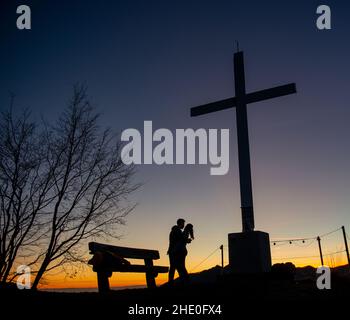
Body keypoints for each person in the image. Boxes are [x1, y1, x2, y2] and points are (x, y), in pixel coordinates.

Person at [167, 219, 194, 284]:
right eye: (183, 224)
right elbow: (181, 239)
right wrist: (187, 240)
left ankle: (175, 282)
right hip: (176, 251)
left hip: (174, 251)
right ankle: (185, 281)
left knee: (175, 267)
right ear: (180, 223)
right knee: (179, 267)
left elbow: (176, 241)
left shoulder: (175, 230)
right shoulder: (177, 230)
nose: (183, 225)